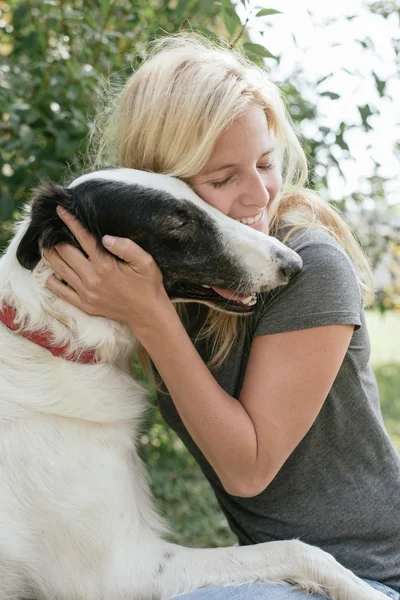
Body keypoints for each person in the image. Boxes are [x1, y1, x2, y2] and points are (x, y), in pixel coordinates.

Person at [43, 34, 400, 599]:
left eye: (265, 162)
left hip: (368, 576)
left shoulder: (308, 266)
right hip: (280, 570)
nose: (258, 195)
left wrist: (153, 317)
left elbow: (248, 469)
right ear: (163, 191)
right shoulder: (166, 276)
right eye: (223, 178)